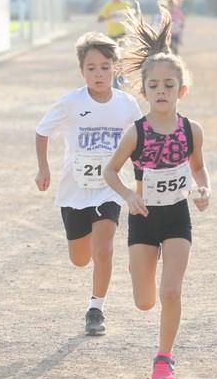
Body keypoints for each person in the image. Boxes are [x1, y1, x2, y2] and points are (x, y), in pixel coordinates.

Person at [103, 7, 210, 379]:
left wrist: (202, 189)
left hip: (177, 216)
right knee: (144, 300)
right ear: (143, 90)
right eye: (154, 86)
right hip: (143, 218)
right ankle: (142, 291)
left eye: (169, 85)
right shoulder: (136, 133)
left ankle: (164, 358)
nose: (161, 91)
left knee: (171, 290)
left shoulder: (191, 130)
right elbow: (110, 171)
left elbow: (197, 167)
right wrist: (128, 198)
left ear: (182, 90)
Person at [35, 32, 142, 336]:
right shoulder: (70, 103)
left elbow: (139, 141)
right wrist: (43, 168)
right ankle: (92, 263)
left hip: (109, 188)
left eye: (105, 67)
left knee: (104, 249)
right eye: (91, 68)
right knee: (80, 258)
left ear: (115, 69)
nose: (99, 74)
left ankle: (96, 308)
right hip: (74, 189)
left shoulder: (127, 105)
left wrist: (140, 181)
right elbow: (42, 132)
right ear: (82, 71)